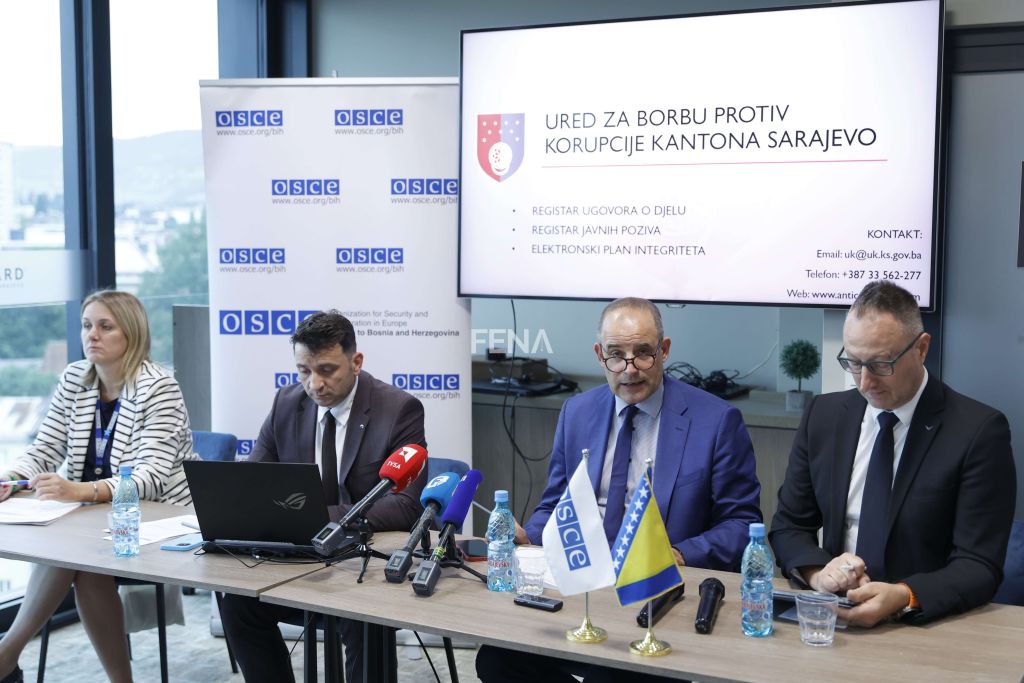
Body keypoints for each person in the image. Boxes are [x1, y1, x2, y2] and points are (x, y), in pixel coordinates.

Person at [477, 297, 762, 683]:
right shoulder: (577, 412)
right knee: (497, 659)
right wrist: (529, 536)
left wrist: (680, 554)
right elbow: (556, 503)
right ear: (599, 355)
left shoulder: (716, 421)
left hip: (655, 594)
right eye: (616, 355)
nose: (629, 369)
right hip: (584, 584)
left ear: (664, 350)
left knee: (610, 676)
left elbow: (741, 523)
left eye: (643, 353)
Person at [770, 280, 1016, 627]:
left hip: (924, 623)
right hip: (834, 615)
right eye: (854, 363)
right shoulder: (823, 416)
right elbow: (789, 525)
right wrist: (819, 575)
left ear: (922, 349)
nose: (865, 382)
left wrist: (903, 595)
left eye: (881, 364)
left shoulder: (978, 432)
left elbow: (979, 565)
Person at [219, 310, 426, 683]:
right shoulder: (286, 403)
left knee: (363, 617)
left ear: (356, 362)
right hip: (301, 559)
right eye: (304, 371)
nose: (314, 384)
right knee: (239, 604)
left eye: (327, 370)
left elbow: (406, 505)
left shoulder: (399, 409)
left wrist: (321, 517)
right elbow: (254, 483)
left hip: (364, 563)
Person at [0, 290, 195, 683]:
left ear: (132, 333)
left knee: (80, 558)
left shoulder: (159, 386)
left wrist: (79, 491)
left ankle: (5, 656)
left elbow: (150, 478)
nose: (92, 335)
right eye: (87, 325)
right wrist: (11, 478)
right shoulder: (75, 378)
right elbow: (45, 449)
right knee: (81, 559)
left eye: (105, 326)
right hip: (92, 520)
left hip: (160, 518)